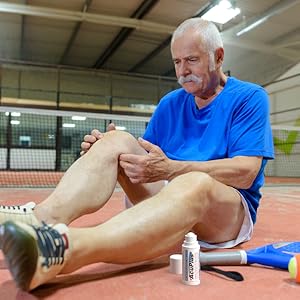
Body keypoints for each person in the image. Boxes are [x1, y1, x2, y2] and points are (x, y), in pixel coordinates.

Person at [0, 18, 274, 292]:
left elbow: (246, 172)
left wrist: (173, 169)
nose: (183, 71)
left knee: (195, 181)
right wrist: (105, 148)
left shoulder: (249, 97)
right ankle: (41, 220)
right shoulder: (170, 103)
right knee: (116, 140)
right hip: (172, 196)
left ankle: (63, 250)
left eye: (191, 60)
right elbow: (146, 159)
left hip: (226, 213)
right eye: (177, 62)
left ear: (218, 56)